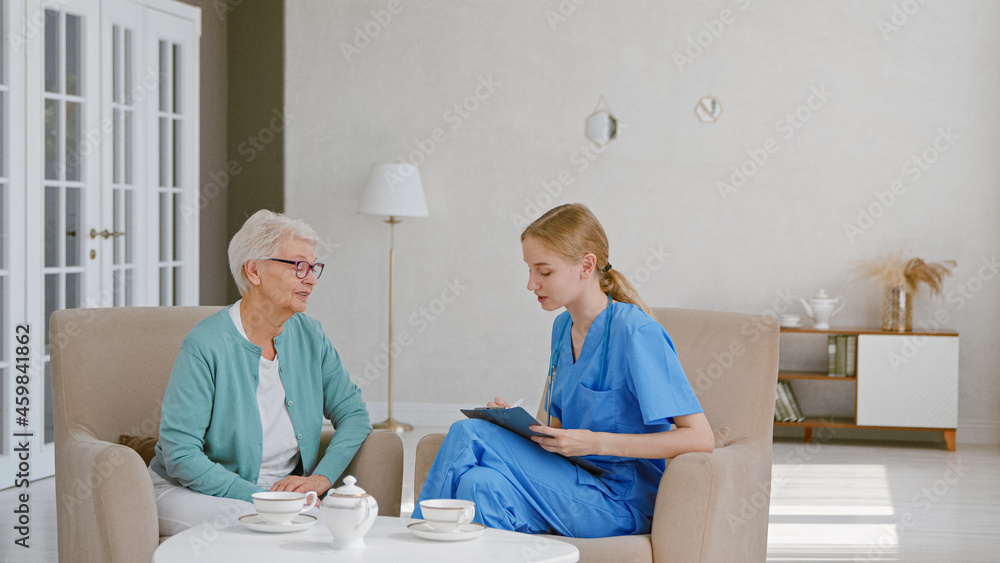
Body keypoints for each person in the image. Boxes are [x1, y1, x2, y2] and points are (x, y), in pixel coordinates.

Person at [413, 203, 714, 538]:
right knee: (479, 483)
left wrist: (595, 443)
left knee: (467, 434)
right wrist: (513, 426)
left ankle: (408, 543)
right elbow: (556, 433)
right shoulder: (562, 328)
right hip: (570, 483)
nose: (531, 284)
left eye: (544, 271)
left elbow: (700, 438)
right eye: (529, 270)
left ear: (586, 265)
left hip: (619, 501)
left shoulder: (636, 333)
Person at [148, 210, 371, 535]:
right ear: (254, 270)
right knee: (270, 524)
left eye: (313, 268)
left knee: (332, 526)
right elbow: (181, 455)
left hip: (279, 499)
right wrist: (265, 499)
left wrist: (318, 480)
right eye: (298, 266)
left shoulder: (310, 335)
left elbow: (354, 414)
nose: (310, 278)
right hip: (188, 492)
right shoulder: (206, 343)